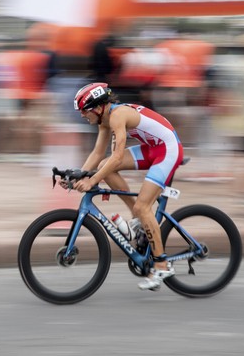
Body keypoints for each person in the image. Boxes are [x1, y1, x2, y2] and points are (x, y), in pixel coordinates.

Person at [66, 82, 183, 290]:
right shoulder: (105, 119)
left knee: (142, 206)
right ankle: (138, 220)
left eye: (84, 111)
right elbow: (98, 154)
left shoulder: (118, 115)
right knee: (105, 167)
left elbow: (118, 156)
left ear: (98, 106)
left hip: (168, 150)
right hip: (153, 149)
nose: (82, 115)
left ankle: (162, 265)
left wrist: (92, 180)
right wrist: (77, 175)